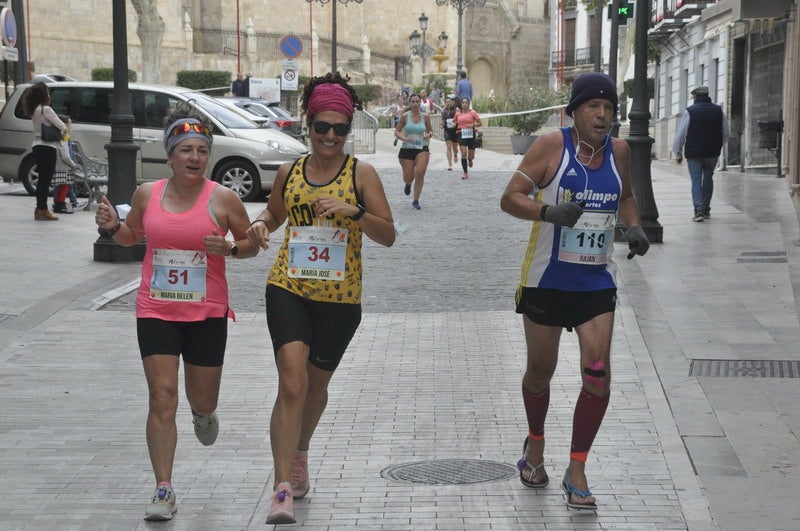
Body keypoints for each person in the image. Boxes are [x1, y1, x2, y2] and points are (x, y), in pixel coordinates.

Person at [94, 102, 259, 521]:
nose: (195, 158)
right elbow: (135, 235)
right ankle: (163, 488)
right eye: (185, 150)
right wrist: (114, 225)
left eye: (201, 150)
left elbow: (250, 244)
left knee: (201, 399)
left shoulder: (222, 198)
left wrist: (233, 247)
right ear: (170, 156)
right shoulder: (146, 194)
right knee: (161, 396)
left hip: (206, 313)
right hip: (156, 309)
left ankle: (203, 413)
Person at [245, 72, 396, 525]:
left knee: (315, 387)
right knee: (292, 381)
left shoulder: (361, 174)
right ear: (307, 126)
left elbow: (389, 235)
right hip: (288, 286)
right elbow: (273, 214)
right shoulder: (290, 171)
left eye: (340, 129)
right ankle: (281, 488)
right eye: (322, 127)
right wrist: (257, 228)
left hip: (340, 298)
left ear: (349, 131)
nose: (330, 137)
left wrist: (356, 211)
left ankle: (301, 450)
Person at [499, 72, 650, 512]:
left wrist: (635, 226)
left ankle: (577, 468)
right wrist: (548, 211)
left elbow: (624, 196)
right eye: (593, 108)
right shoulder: (551, 146)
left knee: (597, 375)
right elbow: (509, 197)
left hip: (595, 285)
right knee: (540, 372)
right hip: (547, 280)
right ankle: (536, 448)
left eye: (609, 109)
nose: (603, 116)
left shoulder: (618, 151)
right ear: (575, 111)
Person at [672, 85, 729, 222]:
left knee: (696, 180)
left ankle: (699, 211)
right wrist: (717, 146)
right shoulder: (719, 111)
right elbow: (725, 133)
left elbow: (681, 135)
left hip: (694, 153)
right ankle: (706, 209)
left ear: (695, 97)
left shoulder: (690, 112)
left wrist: (678, 153)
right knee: (708, 178)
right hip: (712, 152)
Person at [22, 82, 66, 221]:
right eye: (47, 92)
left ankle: (40, 208)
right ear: (43, 94)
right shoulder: (46, 109)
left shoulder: (35, 109)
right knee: (45, 180)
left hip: (37, 144)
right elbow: (62, 126)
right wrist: (64, 125)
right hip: (47, 146)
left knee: (42, 179)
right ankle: (42, 209)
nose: (49, 94)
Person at [395, 93, 434, 209]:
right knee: (408, 177)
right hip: (407, 148)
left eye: (417, 101)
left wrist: (428, 135)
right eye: (413, 102)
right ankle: (408, 184)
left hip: (422, 147)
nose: (415, 104)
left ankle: (416, 201)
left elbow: (431, 131)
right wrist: (405, 138)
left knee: (420, 172)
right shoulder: (405, 116)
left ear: (420, 103)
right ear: (410, 103)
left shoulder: (425, 116)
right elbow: (397, 131)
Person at [50, 114, 79, 214]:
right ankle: (59, 205)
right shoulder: (63, 139)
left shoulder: (56, 137)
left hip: (58, 166)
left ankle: (58, 205)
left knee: (61, 187)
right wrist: (73, 164)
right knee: (64, 187)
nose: (71, 126)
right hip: (63, 168)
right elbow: (65, 156)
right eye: (69, 124)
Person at [454, 97, 482, 179]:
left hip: (471, 134)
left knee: (471, 156)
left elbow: (480, 123)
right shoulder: (458, 113)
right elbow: (454, 121)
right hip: (461, 133)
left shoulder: (473, 113)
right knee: (463, 153)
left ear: (469, 104)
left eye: (466, 102)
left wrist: (472, 125)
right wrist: (454, 124)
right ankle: (465, 173)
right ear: (461, 104)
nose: (464, 104)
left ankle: (470, 160)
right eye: (463, 102)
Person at [441, 95, 459, 171]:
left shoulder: (456, 110)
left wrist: (456, 123)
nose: (448, 103)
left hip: (455, 130)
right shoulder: (443, 110)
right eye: (447, 102)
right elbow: (442, 120)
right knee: (448, 146)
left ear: (453, 102)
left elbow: (459, 119)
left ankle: (455, 154)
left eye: (450, 102)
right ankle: (450, 164)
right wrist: (442, 125)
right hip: (447, 131)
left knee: (455, 148)